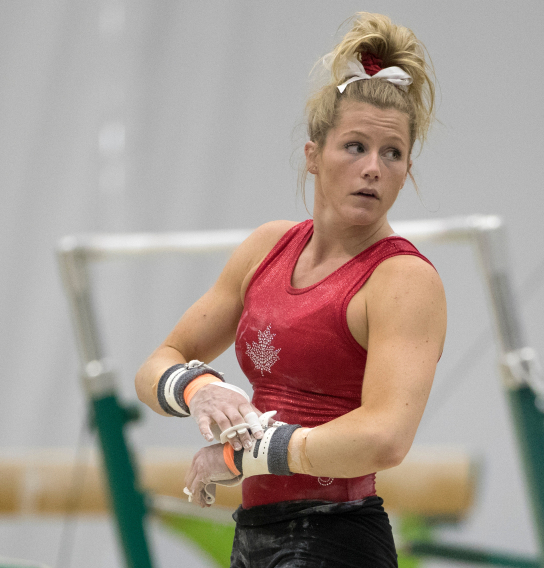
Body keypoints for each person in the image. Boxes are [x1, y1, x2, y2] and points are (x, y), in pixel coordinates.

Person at [134, 12, 446, 567]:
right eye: (354, 146)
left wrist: (247, 451)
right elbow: (158, 363)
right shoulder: (267, 248)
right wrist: (199, 389)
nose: (373, 168)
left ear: (406, 169)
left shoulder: (402, 279)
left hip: (337, 538)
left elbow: (385, 438)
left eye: (392, 153)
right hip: (255, 534)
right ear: (313, 155)